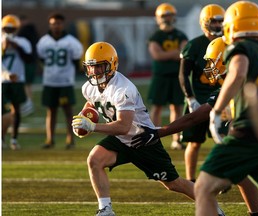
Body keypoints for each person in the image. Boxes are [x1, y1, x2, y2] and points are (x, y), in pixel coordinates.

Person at [71, 41, 225, 216]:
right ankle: (105, 209)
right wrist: (84, 116)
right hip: (121, 140)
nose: (95, 71)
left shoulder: (123, 89)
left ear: (112, 65)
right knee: (94, 160)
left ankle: (215, 209)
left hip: (142, 138)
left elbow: (123, 125)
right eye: (91, 67)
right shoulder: (89, 86)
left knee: (173, 184)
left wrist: (92, 126)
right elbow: (92, 102)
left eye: (100, 66)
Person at [132, 37, 258, 216]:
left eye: (213, 61)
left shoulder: (235, 85)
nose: (209, 67)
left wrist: (160, 132)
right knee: (249, 176)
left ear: (226, 59)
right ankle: (257, 213)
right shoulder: (255, 76)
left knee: (204, 186)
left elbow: (194, 118)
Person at [194, 1, 258, 215]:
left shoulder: (240, 46)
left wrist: (217, 110)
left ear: (232, 25)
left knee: (203, 187)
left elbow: (238, 72)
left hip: (248, 131)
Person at [178, 4, 225, 182]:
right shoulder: (194, 45)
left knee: (224, 141)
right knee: (194, 141)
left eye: (221, 20)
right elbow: (183, 74)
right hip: (199, 97)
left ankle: (224, 178)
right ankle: (191, 179)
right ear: (204, 22)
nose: (218, 24)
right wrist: (190, 98)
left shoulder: (228, 42)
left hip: (222, 97)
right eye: (214, 20)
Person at [37, 13, 83, 149]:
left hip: (65, 82)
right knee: (51, 111)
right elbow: (41, 59)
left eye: (58, 23)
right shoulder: (44, 41)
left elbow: (76, 61)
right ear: (49, 24)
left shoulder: (72, 42)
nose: (56, 26)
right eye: (53, 23)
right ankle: (50, 139)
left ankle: (70, 139)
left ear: (63, 24)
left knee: (68, 110)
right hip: (50, 81)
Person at [147, 3, 188, 150]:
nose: (166, 18)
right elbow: (157, 55)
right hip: (161, 76)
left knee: (177, 108)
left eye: (169, 15)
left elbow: (185, 52)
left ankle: (176, 139)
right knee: (157, 107)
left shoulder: (180, 35)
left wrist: (168, 54)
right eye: (164, 16)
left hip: (177, 76)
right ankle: (152, 137)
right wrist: (175, 54)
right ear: (158, 18)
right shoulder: (156, 36)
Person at [2, 14, 32, 150]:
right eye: (6, 29)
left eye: (11, 29)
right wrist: (3, 49)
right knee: (4, 112)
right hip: (2, 80)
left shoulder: (23, 41)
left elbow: (28, 59)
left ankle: (14, 139)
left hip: (18, 80)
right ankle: (2, 139)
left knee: (16, 110)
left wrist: (15, 45)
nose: (8, 32)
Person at [18, 15, 40, 117]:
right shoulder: (33, 31)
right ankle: (29, 103)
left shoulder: (23, 32)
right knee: (28, 84)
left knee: (26, 84)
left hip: (27, 61)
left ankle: (28, 104)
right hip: (32, 60)